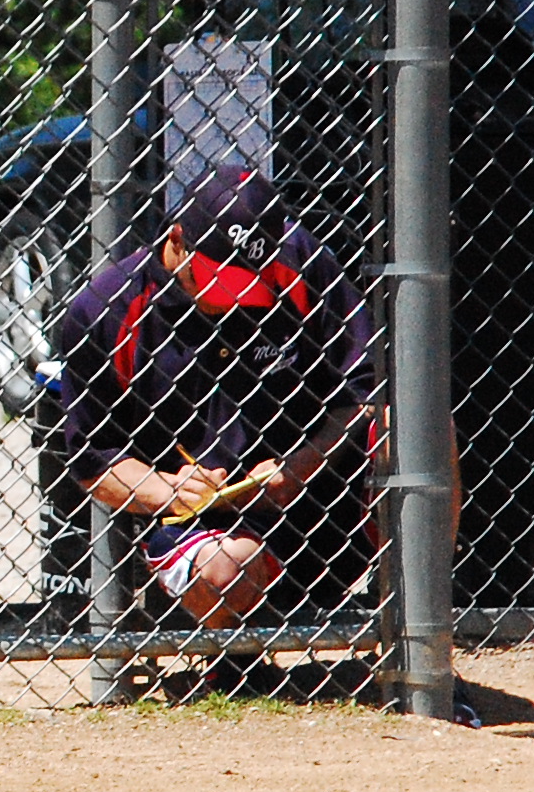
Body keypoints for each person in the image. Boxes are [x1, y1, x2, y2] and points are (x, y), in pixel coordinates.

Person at [54, 167, 374, 631]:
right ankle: (234, 656)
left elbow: (366, 390)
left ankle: (414, 633)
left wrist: (303, 464)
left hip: (317, 490)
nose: (232, 300)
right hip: (203, 525)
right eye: (219, 281)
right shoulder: (107, 309)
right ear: (177, 240)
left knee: (417, 423)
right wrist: (170, 489)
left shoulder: (299, 262)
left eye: (248, 286)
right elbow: (93, 459)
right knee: (227, 569)